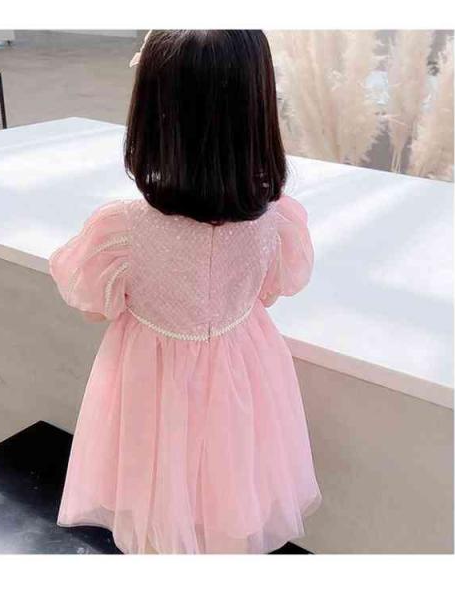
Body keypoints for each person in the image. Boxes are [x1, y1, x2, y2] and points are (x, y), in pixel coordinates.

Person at [50, 30, 321, 554]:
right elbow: (274, 290)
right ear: (258, 107)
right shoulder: (277, 222)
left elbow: (91, 303)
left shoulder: (121, 230)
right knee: (232, 495)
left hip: (150, 385)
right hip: (246, 377)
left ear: (153, 112)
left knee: (157, 500)